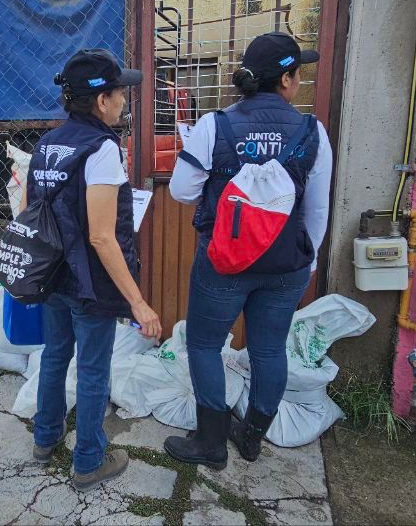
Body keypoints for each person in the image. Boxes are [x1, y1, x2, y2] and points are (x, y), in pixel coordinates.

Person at [163, 32, 333, 468]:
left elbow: (182, 191)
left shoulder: (214, 125)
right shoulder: (312, 132)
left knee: (204, 344)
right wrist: (309, 260)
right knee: (269, 350)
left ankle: (211, 444)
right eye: (298, 73)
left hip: (224, 260)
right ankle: (252, 437)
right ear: (287, 80)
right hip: (286, 264)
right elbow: (317, 209)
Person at [30, 49, 163, 491]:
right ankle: (88, 461)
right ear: (101, 100)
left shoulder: (47, 144)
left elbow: (34, 209)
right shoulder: (102, 149)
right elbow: (102, 237)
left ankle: (45, 439)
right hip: (90, 284)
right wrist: (138, 302)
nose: (124, 99)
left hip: (53, 275)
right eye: (120, 92)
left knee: (54, 356)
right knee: (92, 371)